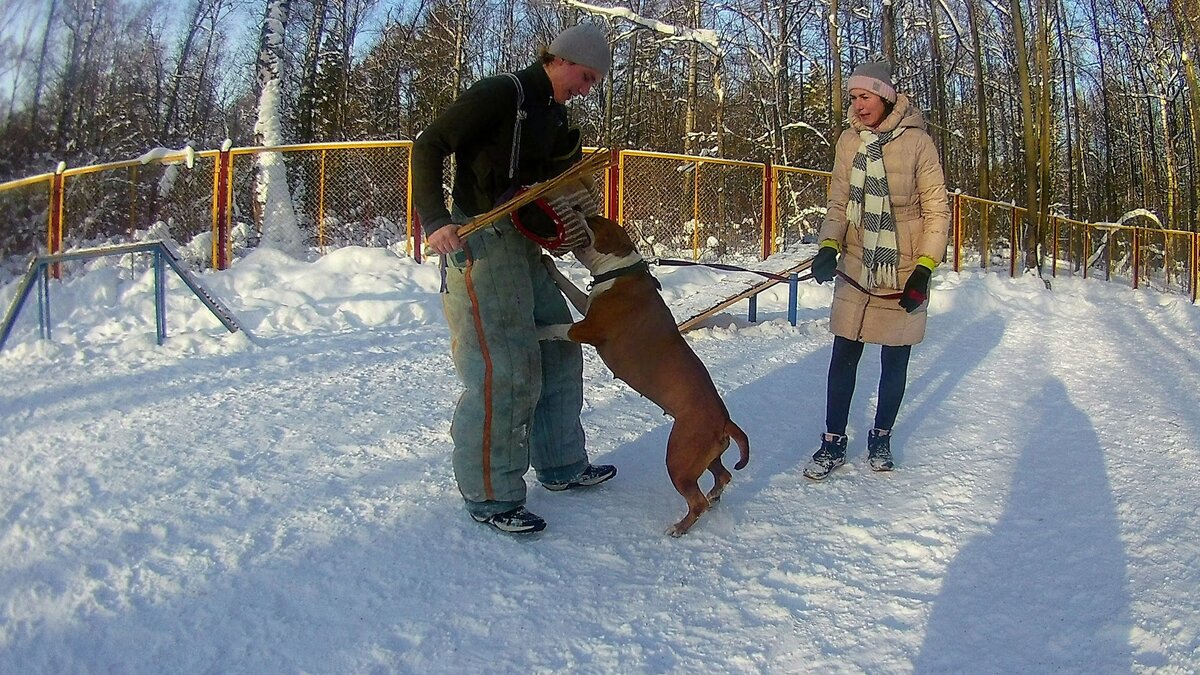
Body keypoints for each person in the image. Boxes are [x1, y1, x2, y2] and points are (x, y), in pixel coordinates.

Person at [411, 23, 617, 533]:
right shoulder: (504, 91)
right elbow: (429, 143)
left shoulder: (554, 113)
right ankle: (491, 495)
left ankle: (561, 464)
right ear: (561, 59)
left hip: (524, 242)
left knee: (559, 348)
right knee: (506, 369)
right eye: (585, 77)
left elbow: (545, 180)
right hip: (479, 242)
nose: (586, 89)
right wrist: (435, 220)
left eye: (594, 82)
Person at [803, 58, 950, 480]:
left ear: (885, 97)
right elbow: (837, 201)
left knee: (895, 359)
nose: (858, 105)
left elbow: (937, 211)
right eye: (853, 97)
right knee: (843, 353)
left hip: (902, 266)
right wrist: (828, 245)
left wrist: (924, 268)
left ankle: (881, 437)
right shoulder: (849, 142)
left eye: (864, 96)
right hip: (856, 260)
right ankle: (832, 441)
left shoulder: (919, 143)